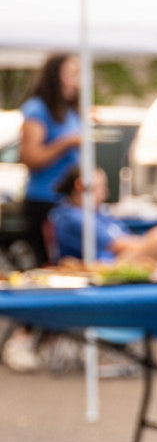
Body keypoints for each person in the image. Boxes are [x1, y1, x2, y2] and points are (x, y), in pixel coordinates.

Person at [1, 54, 83, 373]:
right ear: (56, 75)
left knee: (66, 270)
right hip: (43, 202)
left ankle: (49, 338)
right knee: (44, 273)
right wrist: (65, 143)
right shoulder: (38, 109)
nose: (76, 78)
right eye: (71, 71)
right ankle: (21, 338)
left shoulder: (70, 110)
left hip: (67, 203)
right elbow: (30, 156)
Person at [50, 167, 157, 265]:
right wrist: (154, 241)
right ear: (80, 186)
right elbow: (119, 245)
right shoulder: (72, 217)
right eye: (100, 188)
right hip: (105, 266)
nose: (105, 194)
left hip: (123, 259)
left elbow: (126, 238)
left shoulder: (100, 213)